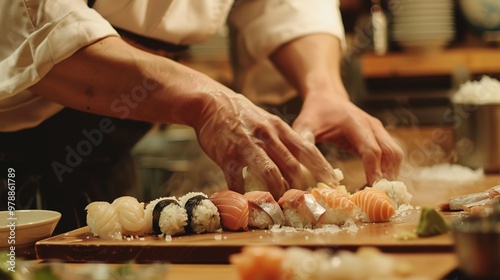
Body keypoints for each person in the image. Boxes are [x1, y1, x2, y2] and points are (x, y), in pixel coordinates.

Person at [0, 0, 403, 233]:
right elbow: (29, 22)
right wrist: (206, 100)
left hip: (105, 151)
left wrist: (324, 87)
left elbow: (284, 6)